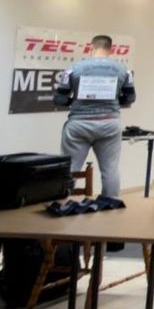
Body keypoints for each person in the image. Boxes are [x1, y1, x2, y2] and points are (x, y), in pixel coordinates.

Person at [54, 34, 136, 198]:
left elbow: (59, 99)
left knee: (70, 168)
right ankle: (111, 203)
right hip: (110, 123)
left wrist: (75, 100)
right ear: (111, 49)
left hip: (79, 123)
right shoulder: (124, 70)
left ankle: (62, 202)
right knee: (110, 169)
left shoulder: (74, 68)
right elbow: (130, 98)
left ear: (91, 47)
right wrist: (111, 101)